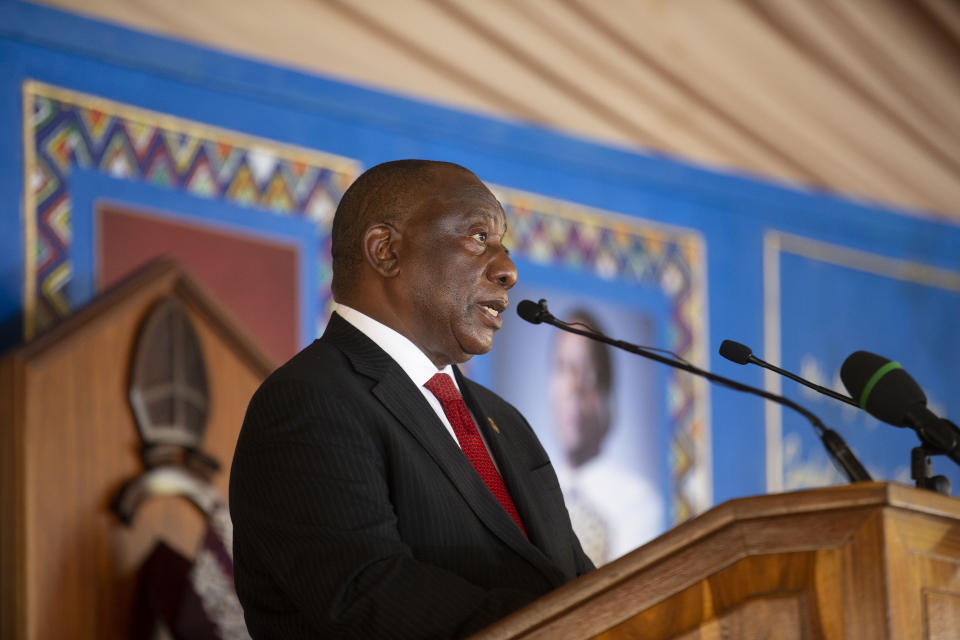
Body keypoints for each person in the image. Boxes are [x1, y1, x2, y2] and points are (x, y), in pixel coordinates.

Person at [229, 160, 594, 639]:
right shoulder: (309, 400)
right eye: (479, 237)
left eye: (503, 244)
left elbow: (576, 584)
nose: (508, 269)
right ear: (386, 251)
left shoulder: (507, 422)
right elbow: (366, 593)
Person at [549, 310, 664, 565]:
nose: (573, 388)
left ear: (606, 394)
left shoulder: (637, 501)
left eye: (587, 373)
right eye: (563, 368)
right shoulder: (527, 490)